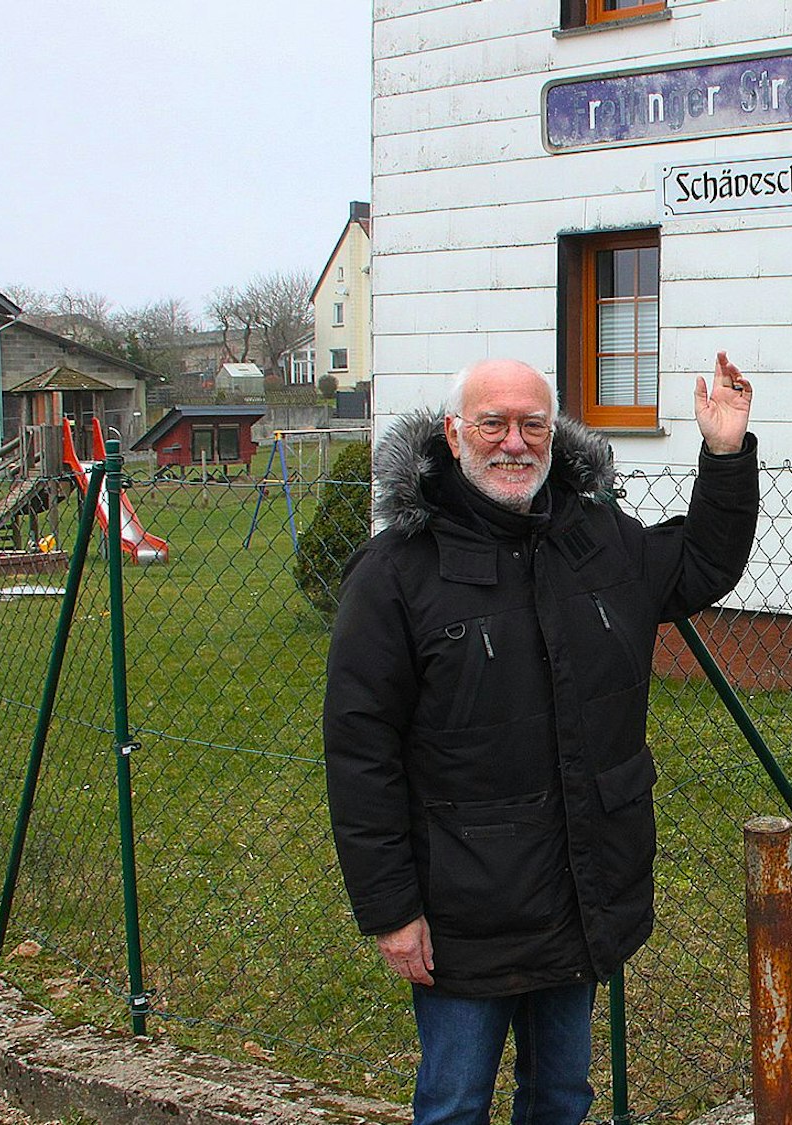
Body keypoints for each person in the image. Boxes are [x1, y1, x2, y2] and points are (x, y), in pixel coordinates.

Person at [323, 355, 758, 1125]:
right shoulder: (396, 573)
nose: (514, 443)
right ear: (455, 433)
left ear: (553, 435)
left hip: (576, 889)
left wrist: (723, 454)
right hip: (463, 913)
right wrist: (391, 909)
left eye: (532, 425)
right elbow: (360, 753)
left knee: (561, 1098)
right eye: (493, 424)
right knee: (455, 1104)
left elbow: (700, 562)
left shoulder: (596, 539)